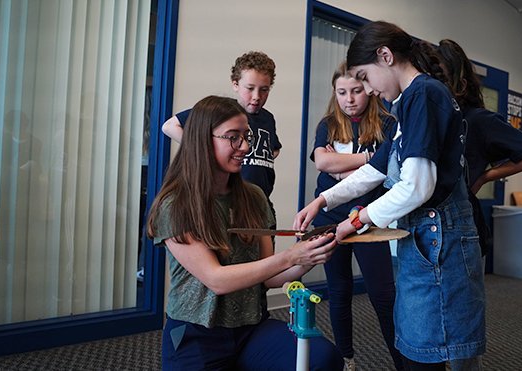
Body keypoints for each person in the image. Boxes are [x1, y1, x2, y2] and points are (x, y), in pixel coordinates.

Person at [294, 21, 485, 371]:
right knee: (421, 347)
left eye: (365, 78)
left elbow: (416, 186)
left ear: (385, 56)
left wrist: (357, 220)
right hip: (425, 241)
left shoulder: (421, 95)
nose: (368, 90)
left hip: (439, 242)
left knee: (430, 353)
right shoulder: (409, 103)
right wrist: (322, 202)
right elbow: (376, 169)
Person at [147, 95, 343, 370]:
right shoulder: (176, 204)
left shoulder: (253, 196)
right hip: (197, 335)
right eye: (233, 137)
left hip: (251, 329)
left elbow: (269, 277)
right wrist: (291, 257)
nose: (246, 147)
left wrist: (309, 256)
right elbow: (217, 280)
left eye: (246, 136)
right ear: (202, 140)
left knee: (323, 358)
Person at [310, 61, 403, 370]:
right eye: (341, 92)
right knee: (339, 291)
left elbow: (380, 172)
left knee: (383, 294)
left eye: (356, 91)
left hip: (368, 218)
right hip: (329, 216)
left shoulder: (388, 123)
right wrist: (366, 158)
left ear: (369, 90)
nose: (349, 99)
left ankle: (402, 361)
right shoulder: (327, 123)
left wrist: (344, 163)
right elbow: (323, 164)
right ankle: (346, 358)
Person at [436, 39, 522, 258]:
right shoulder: (435, 120)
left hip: (461, 224)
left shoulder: (479, 120)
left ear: (458, 81)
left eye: (441, 78)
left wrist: (485, 177)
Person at [162, 51, 282, 227]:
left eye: (264, 90)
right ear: (235, 84)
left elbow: (274, 148)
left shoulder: (268, 118)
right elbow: (169, 126)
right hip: (233, 203)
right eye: (250, 88)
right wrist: (205, 149)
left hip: (260, 203)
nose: (256, 96)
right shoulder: (222, 113)